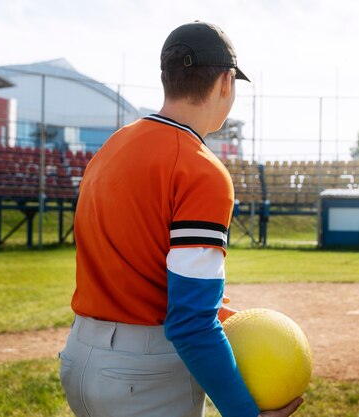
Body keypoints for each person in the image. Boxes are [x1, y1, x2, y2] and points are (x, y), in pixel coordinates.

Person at [59, 22, 302, 417]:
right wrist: (243, 412)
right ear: (226, 82)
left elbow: (142, 264)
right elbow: (189, 324)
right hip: (143, 376)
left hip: (81, 356)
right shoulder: (201, 169)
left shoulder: (112, 147)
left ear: (167, 79)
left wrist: (223, 313)